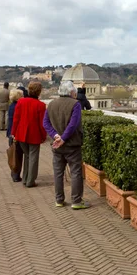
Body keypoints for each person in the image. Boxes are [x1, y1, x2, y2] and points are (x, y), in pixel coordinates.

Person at [43, 81, 89, 210]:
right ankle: (76, 201)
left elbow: (45, 123)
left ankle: (59, 200)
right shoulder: (75, 104)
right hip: (72, 144)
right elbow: (73, 124)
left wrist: (55, 136)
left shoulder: (51, 104)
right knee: (75, 172)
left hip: (56, 145)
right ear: (71, 92)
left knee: (58, 173)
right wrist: (63, 138)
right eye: (74, 92)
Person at [11, 81, 46, 188]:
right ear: (39, 92)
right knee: (33, 158)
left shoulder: (21, 102)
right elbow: (42, 124)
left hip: (21, 134)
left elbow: (16, 119)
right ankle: (30, 180)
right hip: (34, 134)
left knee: (27, 156)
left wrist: (13, 133)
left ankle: (26, 179)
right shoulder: (41, 105)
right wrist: (43, 136)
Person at [7, 89, 24, 182]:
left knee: (14, 153)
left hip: (10, 132)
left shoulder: (11, 106)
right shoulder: (17, 106)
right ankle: (16, 174)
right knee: (17, 154)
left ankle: (14, 173)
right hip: (15, 133)